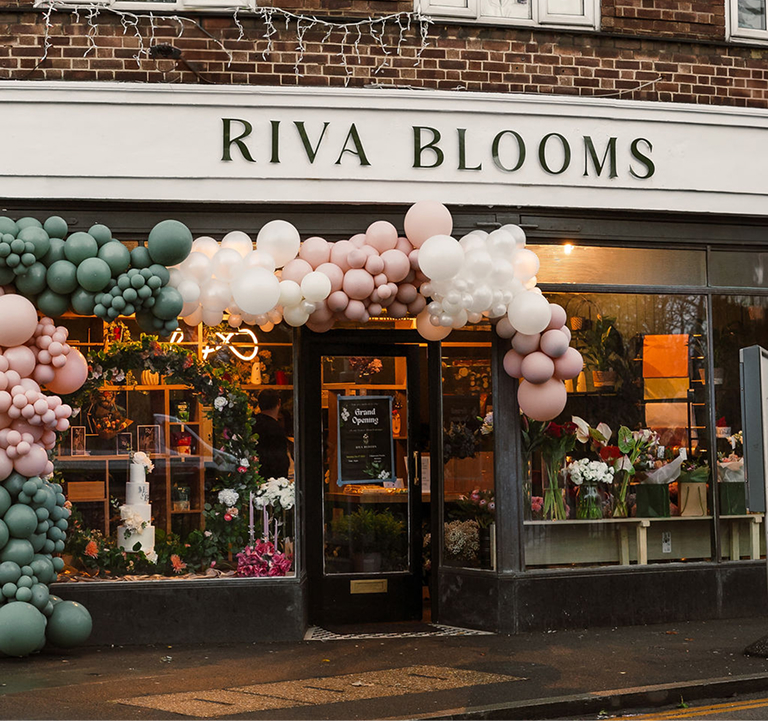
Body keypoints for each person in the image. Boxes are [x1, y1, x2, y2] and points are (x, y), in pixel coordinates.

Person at [252, 389, 290, 480]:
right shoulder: (276, 429)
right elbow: (280, 461)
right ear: (279, 403)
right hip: (271, 480)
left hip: (253, 477)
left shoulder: (251, 424)